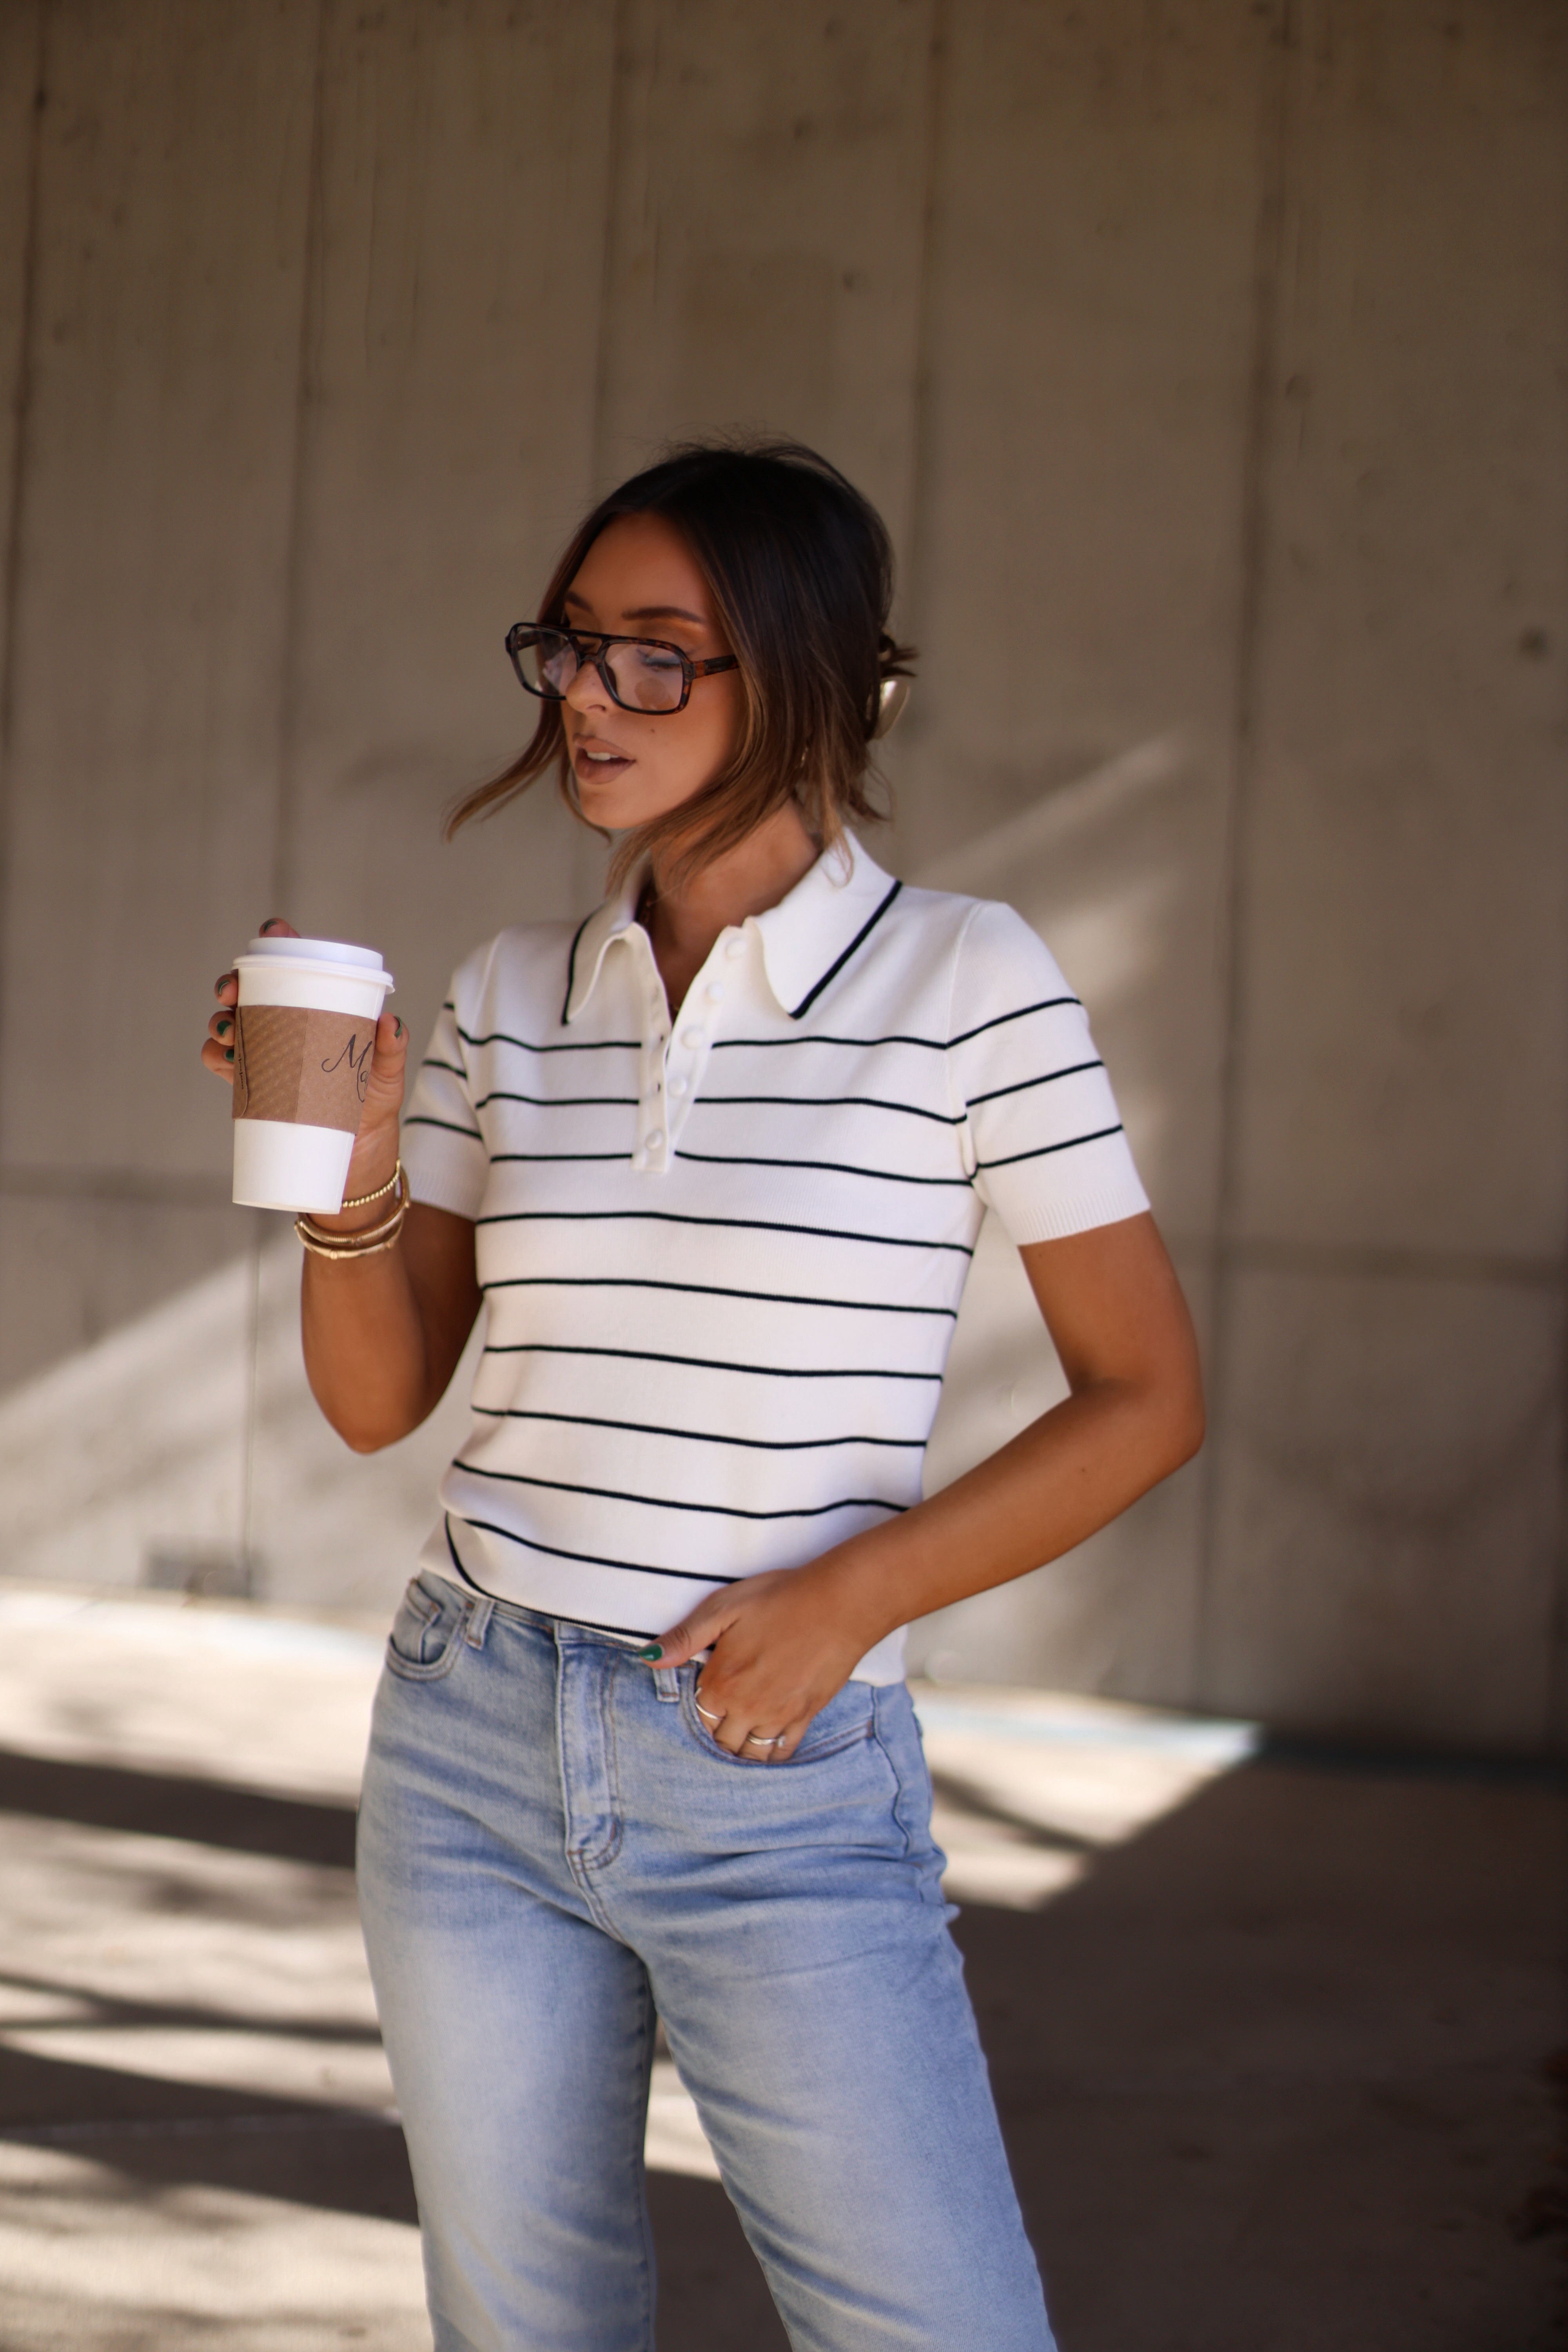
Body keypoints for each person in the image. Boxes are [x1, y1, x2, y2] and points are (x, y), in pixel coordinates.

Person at [204, 440, 1203, 2352]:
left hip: (779, 1777)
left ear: (808, 677)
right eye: (572, 646)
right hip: (470, 1740)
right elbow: (377, 1402)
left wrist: (850, 1601)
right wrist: (351, 1166)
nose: (590, 695)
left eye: (655, 654)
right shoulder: (510, 990)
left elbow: (1146, 1395)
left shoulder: (967, 979)